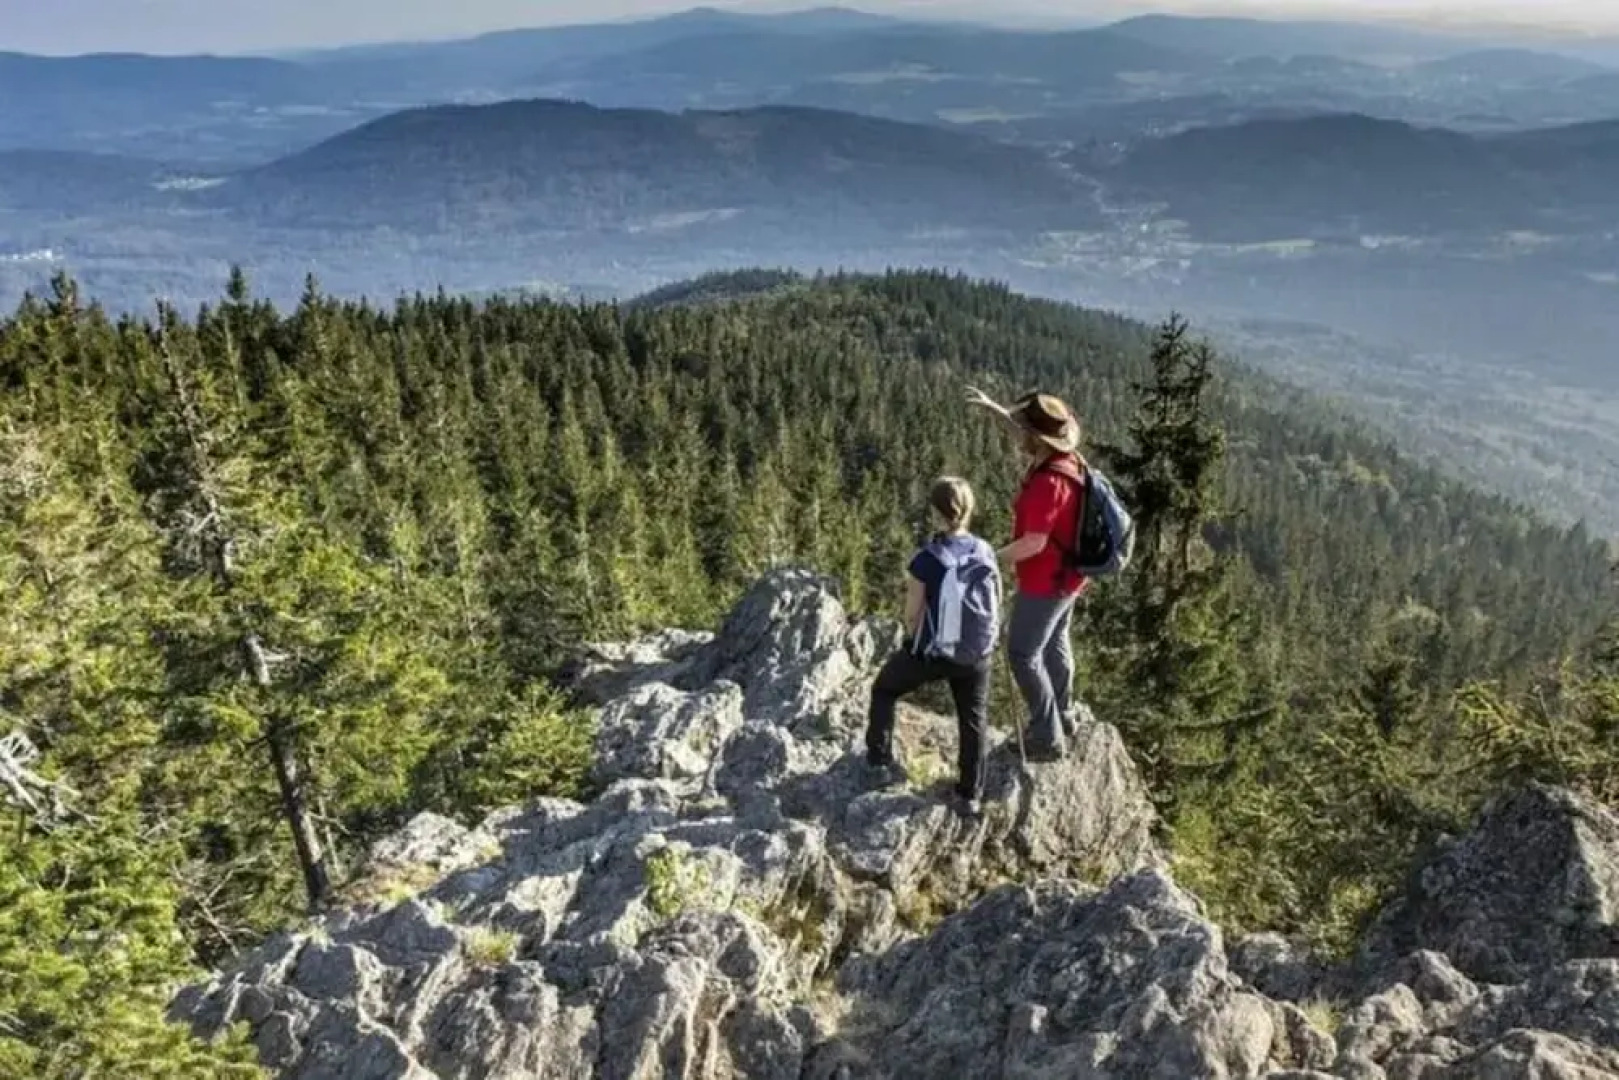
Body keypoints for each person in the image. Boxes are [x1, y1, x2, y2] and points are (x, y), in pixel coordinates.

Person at [865, 477, 1001, 816]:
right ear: (969, 511)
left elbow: (913, 614)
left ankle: (879, 763)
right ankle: (970, 794)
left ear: (936, 514)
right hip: (977, 653)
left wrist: (913, 644)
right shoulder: (984, 550)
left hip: (936, 652)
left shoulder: (927, 559)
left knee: (884, 689)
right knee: (973, 718)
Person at [966, 387, 1087, 762]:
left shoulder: (1047, 485)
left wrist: (986, 558)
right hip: (1069, 576)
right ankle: (1063, 713)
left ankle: (1047, 736)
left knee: (1022, 653)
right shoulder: (1069, 461)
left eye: (1025, 433)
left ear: (1038, 439)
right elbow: (1026, 432)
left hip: (1046, 581)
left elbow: (1034, 543)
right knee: (1055, 642)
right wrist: (995, 411)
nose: (1020, 438)